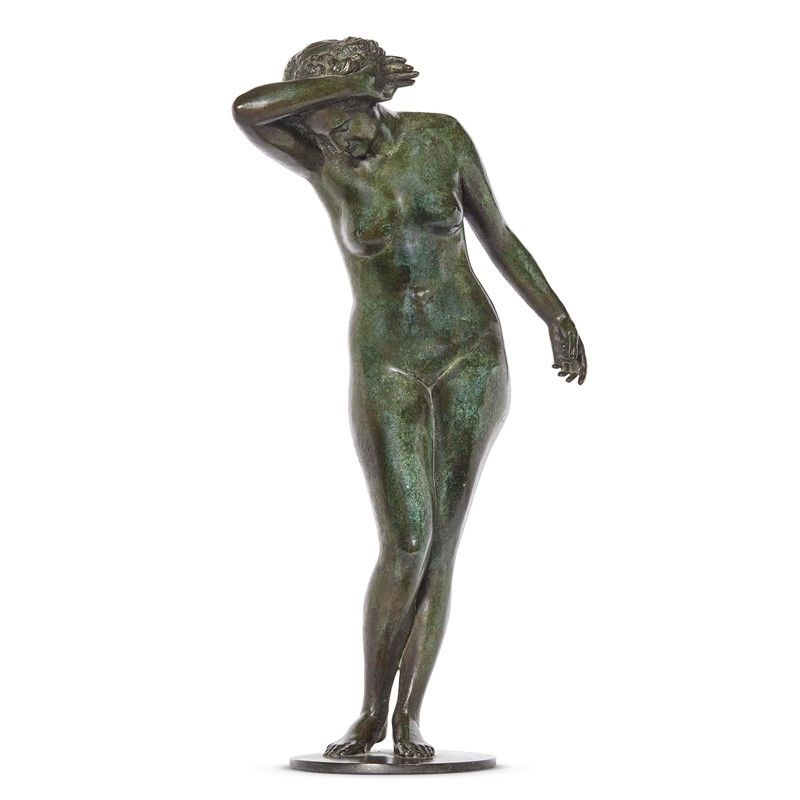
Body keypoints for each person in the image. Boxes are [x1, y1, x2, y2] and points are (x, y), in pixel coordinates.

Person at [232, 36, 587, 759]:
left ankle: (410, 717)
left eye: (347, 121)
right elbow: (248, 108)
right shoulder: (321, 160)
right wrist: (350, 91)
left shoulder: (440, 137)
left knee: (443, 545)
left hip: (469, 352)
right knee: (406, 540)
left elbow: (498, 235)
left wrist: (554, 314)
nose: (341, 139)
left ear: (372, 103)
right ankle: (369, 712)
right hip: (387, 360)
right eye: (324, 127)